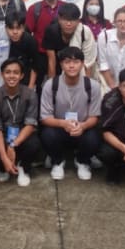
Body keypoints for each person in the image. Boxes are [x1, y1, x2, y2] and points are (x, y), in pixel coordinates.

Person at [39, 47, 103, 181]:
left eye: (76, 61)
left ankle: (82, 161)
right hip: (60, 128)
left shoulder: (92, 86)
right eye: (67, 62)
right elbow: (45, 118)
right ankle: (57, 161)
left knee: (94, 136)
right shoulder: (51, 85)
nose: (72, 66)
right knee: (47, 134)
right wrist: (63, 123)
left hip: (82, 128)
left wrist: (83, 126)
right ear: (61, 64)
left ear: (82, 63)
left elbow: (94, 117)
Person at [0, 58, 40, 187]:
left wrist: (13, 145)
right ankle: (3, 167)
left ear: (21, 75)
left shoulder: (30, 94)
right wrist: (4, 158)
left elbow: (30, 124)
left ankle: (22, 168)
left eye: (16, 73)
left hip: (22, 134)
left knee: (34, 144)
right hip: (3, 134)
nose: (11, 76)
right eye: (8, 72)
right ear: (2, 74)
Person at [41, 2, 96, 82]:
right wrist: (52, 86)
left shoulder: (85, 32)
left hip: (79, 72)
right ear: (59, 19)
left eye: (72, 20)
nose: (68, 24)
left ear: (78, 21)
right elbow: (51, 61)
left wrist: (86, 86)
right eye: (65, 20)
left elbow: (88, 64)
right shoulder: (51, 31)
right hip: (58, 70)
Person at [27, 0, 64, 69]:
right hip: (40, 56)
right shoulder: (34, 9)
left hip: (62, 56)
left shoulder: (65, 7)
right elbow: (26, 34)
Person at [4, 11, 41, 90]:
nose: (15, 32)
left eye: (18, 28)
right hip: (4, 81)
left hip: (25, 81)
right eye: (11, 28)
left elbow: (34, 67)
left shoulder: (30, 41)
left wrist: (30, 89)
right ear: (6, 28)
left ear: (23, 28)